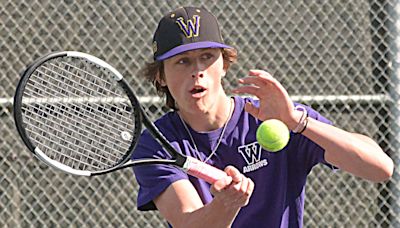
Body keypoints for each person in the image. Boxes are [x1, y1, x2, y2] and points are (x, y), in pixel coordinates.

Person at [132, 6, 394, 228]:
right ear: (161, 76)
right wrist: (228, 204)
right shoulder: (156, 144)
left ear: (224, 65)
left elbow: (380, 168)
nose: (197, 71)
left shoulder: (277, 117)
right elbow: (188, 221)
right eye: (182, 61)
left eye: (207, 57)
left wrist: (297, 123)